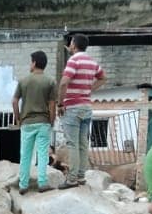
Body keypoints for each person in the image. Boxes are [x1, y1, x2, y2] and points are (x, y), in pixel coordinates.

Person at [57, 33, 106, 186]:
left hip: (73, 107)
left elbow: (64, 83)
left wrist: (60, 104)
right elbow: (104, 78)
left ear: (74, 44)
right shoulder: (92, 61)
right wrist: (89, 89)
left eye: (71, 42)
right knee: (83, 144)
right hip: (86, 106)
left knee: (72, 144)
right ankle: (81, 176)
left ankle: (71, 179)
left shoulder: (73, 60)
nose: (70, 45)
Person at [12, 50, 57, 194]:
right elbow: (52, 104)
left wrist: (18, 118)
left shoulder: (23, 81)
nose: (30, 65)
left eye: (31, 62)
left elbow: (14, 101)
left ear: (35, 63)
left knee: (25, 154)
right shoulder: (50, 81)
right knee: (43, 153)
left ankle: (23, 185)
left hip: (27, 123)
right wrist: (51, 120)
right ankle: (42, 183)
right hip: (43, 122)